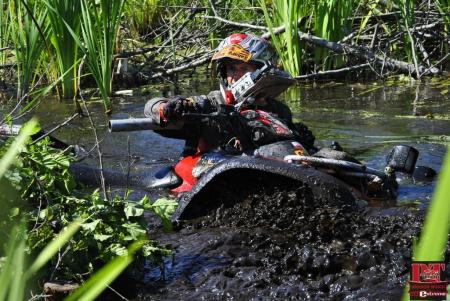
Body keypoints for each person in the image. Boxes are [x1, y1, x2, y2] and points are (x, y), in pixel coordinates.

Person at [144, 33, 316, 156]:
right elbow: (151, 109)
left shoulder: (280, 110)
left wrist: (300, 138)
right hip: (216, 173)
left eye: (244, 69)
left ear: (262, 71)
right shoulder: (209, 104)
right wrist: (166, 107)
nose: (235, 75)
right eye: (231, 68)